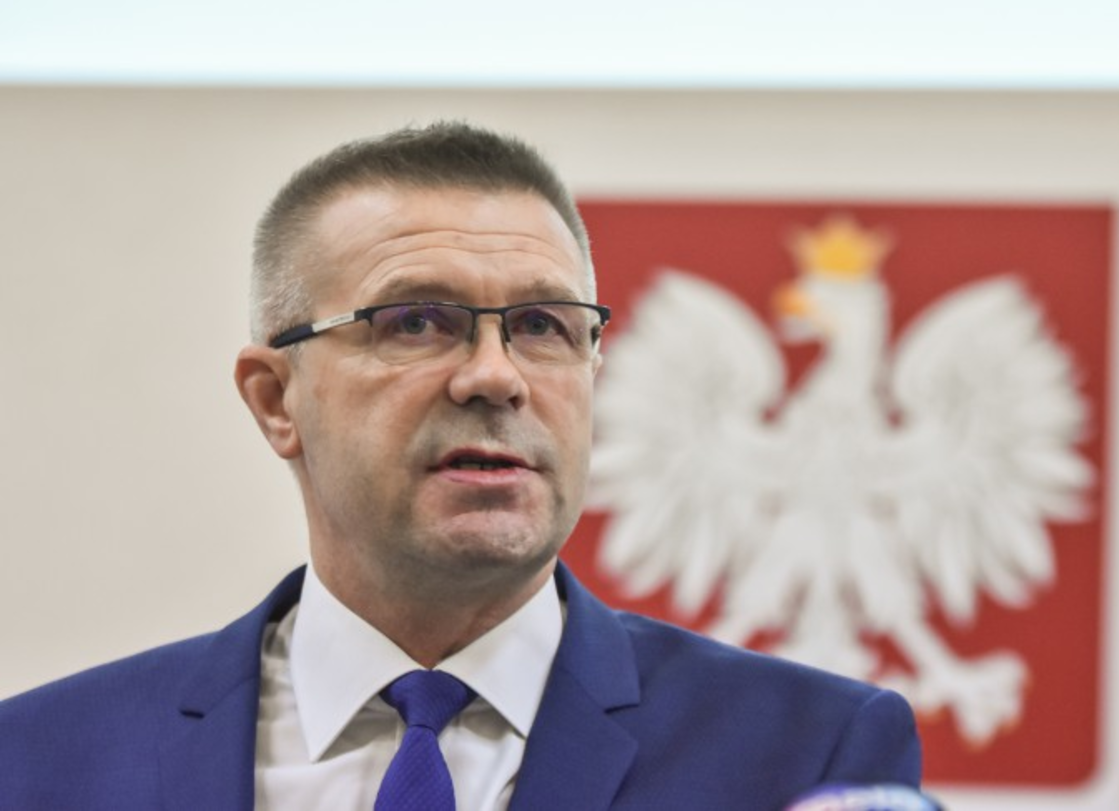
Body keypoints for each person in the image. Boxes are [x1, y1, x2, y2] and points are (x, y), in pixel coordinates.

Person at [0, 122, 922, 809]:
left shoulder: (808, 756)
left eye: (543, 326)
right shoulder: (42, 761)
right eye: (415, 322)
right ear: (277, 400)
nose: (496, 376)